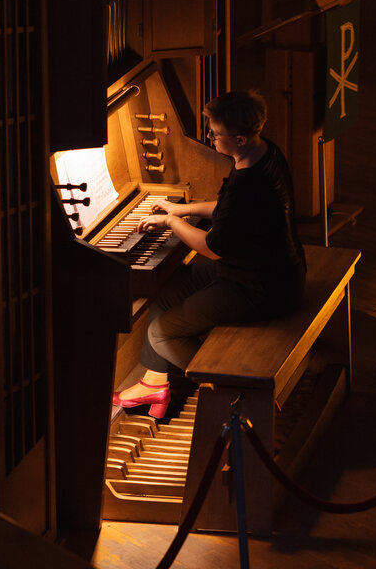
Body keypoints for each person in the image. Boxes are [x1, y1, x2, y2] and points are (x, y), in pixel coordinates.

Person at [112, 90, 306, 419]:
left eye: (215, 134)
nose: (210, 138)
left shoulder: (249, 183)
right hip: (267, 270)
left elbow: (211, 248)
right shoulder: (265, 152)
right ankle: (153, 383)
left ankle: (240, 392)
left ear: (239, 139)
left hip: (261, 289)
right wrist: (182, 209)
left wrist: (172, 222)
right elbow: (229, 210)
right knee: (165, 295)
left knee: (161, 333)